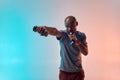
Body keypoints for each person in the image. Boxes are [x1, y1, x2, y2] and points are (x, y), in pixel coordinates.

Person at [33, 16, 88, 80]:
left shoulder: (81, 35)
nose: (69, 29)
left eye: (71, 26)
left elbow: (85, 52)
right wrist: (45, 28)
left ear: (76, 23)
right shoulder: (63, 34)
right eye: (67, 26)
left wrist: (77, 42)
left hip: (78, 72)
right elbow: (54, 31)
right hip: (64, 72)